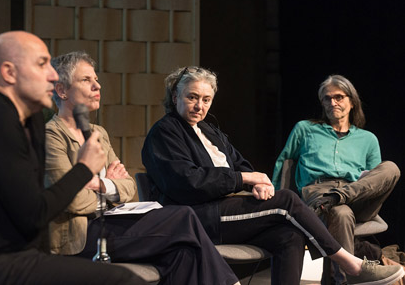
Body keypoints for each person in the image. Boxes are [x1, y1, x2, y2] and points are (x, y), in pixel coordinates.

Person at [141, 66, 404, 285]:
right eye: (192, 97)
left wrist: (258, 182)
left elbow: (241, 164)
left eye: (206, 100)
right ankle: (350, 264)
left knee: (289, 236)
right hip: (197, 217)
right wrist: (246, 180)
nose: (200, 106)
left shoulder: (210, 131)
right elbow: (187, 182)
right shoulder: (165, 132)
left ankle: (347, 254)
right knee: (287, 200)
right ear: (175, 96)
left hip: (228, 211)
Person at [0, 31, 146, 284]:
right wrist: (84, 168)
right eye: (42, 63)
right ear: (9, 72)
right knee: (124, 280)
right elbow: (35, 214)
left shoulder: (29, 118)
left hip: (24, 255)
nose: (53, 75)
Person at [45, 51, 241, 285]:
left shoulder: (98, 133)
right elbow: (72, 200)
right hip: (80, 236)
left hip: (109, 221)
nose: (97, 85)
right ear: (62, 90)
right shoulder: (51, 136)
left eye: (96, 79)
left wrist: (100, 184)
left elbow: (128, 188)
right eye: (86, 80)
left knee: (182, 254)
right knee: (182, 216)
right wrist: (109, 187)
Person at [272, 74, 400, 284]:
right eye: (327, 98)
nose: (333, 102)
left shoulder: (367, 139)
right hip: (319, 192)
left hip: (357, 194)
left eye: (339, 97)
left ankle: (337, 197)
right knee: (340, 214)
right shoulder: (305, 129)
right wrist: (276, 202)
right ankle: (341, 281)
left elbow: (375, 180)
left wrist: (346, 193)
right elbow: (283, 164)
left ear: (352, 101)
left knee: (391, 168)